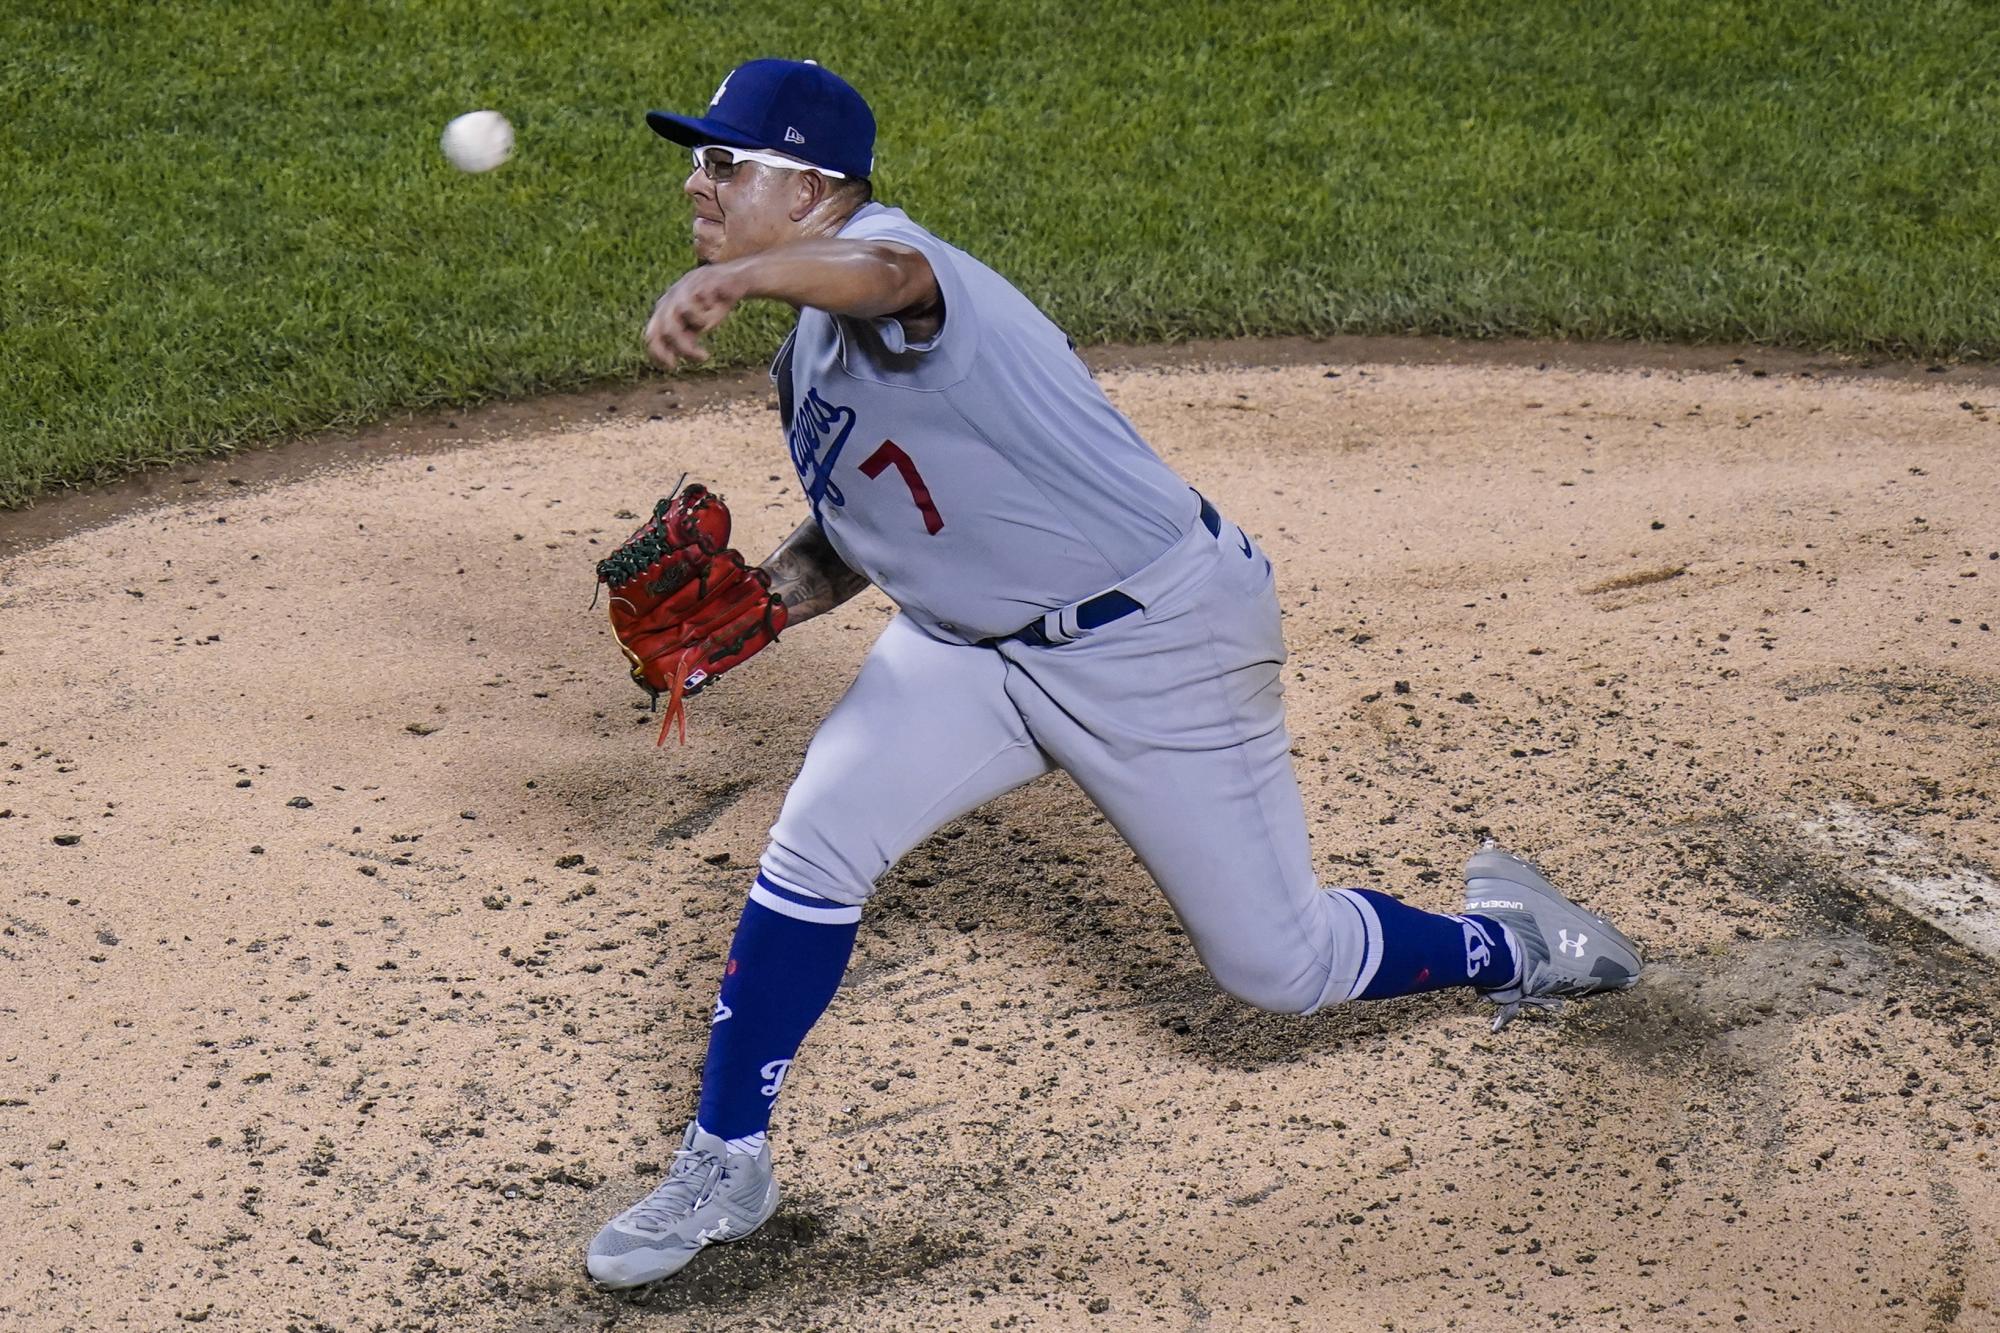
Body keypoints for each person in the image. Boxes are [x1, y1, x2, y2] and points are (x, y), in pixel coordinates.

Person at [583, 58, 1642, 1289]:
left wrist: (736, 277)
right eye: (695, 159)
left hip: (1156, 638)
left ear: (814, 189)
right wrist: (771, 597)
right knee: (813, 847)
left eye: (724, 162)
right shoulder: (806, 355)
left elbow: (890, 278)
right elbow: (887, 515)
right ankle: (725, 1159)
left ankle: (1511, 941)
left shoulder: (904, 271)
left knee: (1278, 967)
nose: (696, 182)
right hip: (967, 647)